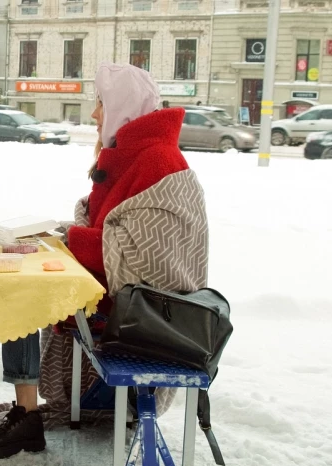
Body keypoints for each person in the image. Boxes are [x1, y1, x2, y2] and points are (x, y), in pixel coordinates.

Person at [17, 62, 210, 429]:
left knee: (27, 294)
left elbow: (152, 259)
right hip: (129, 307)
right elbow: (119, 234)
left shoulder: (158, 160)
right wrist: (62, 236)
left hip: (148, 320)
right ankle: (38, 406)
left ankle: (14, 405)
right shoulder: (137, 154)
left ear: (124, 108)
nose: (94, 114)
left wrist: (71, 240)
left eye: (102, 103)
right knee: (28, 281)